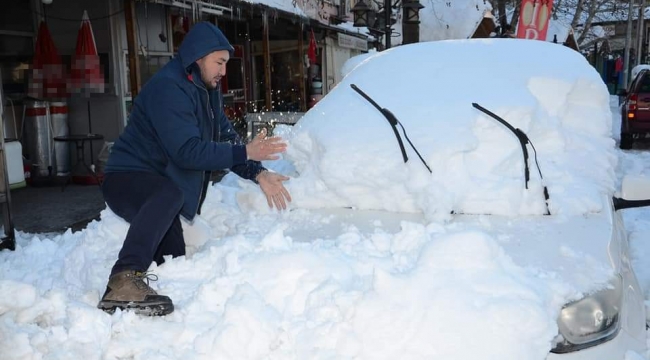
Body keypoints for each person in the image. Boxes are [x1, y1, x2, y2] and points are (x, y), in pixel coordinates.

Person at [97, 22, 292, 316]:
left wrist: (257, 172)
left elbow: (225, 138)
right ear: (198, 56)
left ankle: (146, 308)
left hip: (160, 189)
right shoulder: (169, 88)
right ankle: (124, 278)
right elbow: (187, 152)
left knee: (174, 261)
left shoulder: (206, 91)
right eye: (219, 62)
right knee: (168, 195)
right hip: (128, 179)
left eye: (226, 64)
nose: (223, 72)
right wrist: (246, 150)